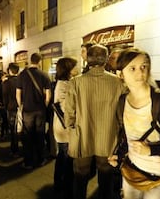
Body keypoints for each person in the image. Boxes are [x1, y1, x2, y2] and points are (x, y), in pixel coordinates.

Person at [107, 48, 160, 199]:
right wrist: (118, 154)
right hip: (133, 173)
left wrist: (152, 150)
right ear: (120, 74)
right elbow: (128, 136)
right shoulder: (122, 101)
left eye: (144, 67)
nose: (140, 73)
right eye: (132, 68)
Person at [64, 44, 125, 199]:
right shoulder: (118, 82)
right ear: (106, 59)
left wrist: (71, 128)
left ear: (88, 60)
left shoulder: (75, 82)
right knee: (106, 179)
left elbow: (69, 113)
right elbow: (121, 113)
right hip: (108, 137)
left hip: (82, 136)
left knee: (80, 177)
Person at [16, 53, 51, 169]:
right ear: (39, 61)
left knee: (28, 136)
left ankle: (28, 161)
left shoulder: (22, 75)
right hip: (40, 110)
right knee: (40, 135)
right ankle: (41, 159)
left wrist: (21, 106)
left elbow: (18, 94)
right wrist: (44, 105)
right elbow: (48, 95)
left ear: (31, 61)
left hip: (27, 110)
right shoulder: (44, 75)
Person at [52, 57, 79, 198]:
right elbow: (65, 107)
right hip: (64, 128)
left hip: (63, 127)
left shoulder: (66, 83)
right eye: (75, 66)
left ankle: (61, 184)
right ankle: (63, 185)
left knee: (63, 156)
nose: (78, 68)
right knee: (65, 156)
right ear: (68, 69)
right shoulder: (63, 85)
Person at [2, 63, 20, 157]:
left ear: (10, 71)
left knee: (13, 130)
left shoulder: (7, 82)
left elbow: (4, 96)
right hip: (21, 107)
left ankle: (14, 150)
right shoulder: (21, 81)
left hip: (11, 107)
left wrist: (5, 106)